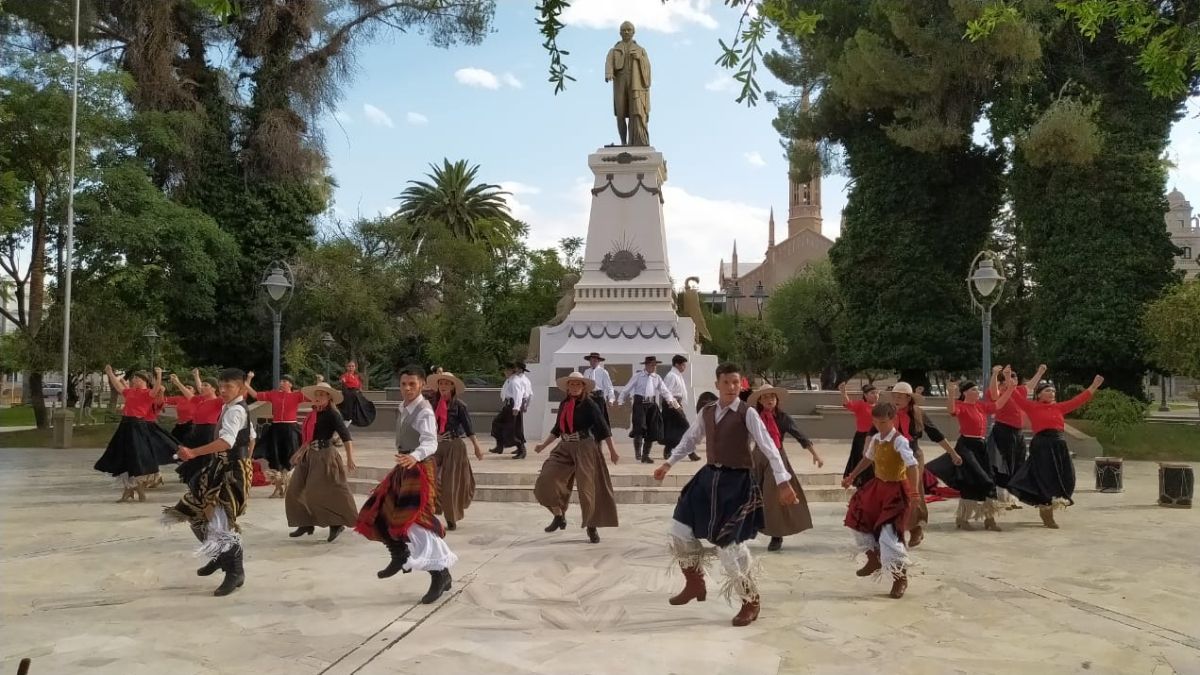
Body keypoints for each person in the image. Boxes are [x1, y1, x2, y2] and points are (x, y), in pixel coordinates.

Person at [655, 363, 799, 628]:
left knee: (728, 546)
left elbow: (768, 447)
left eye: (736, 383)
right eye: (727, 383)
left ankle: (750, 600)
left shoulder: (748, 413)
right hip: (708, 479)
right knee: (678, 530)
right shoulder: (707, 411)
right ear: (717, 384)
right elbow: (690, 440)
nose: (732, 387)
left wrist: (783, 481)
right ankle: (695, 583)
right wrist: (669, 463)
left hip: (737, 483)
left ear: (741, 385)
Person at [354, 365, 457, 605]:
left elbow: (431, 442)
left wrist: (415, 456)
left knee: (414, 523)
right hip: (405, 466)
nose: (407, 388)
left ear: (422, 384)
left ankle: (440, 575)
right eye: (403, 384)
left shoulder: (424, 411)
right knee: (377, 510)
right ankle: (399, 554)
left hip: (419, 468)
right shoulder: (403, 407)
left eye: (412, 384)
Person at [165, 368, 254, 597]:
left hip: (230, 471)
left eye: (229, 387)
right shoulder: (229, 407)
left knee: (220, 521)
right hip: (220, 467)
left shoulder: (236, 411)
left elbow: (226, 441)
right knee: (194, 512)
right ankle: (219, 556)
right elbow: (252, 436)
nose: (223, 390)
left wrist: (194, 453)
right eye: (221, 386)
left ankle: (235, 572)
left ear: (241, 387)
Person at [1005, 365, 1104, 528]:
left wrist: (1093, 386)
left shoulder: (1059, 407)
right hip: (1042, 445)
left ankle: (1051, 503)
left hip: (1059, 445)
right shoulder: (1032, 406)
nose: (1051, 393)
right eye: (1047, 391)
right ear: (1038, 394)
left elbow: (1078, 400)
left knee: (1066, 476)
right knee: (1045, 477)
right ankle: (1046, 510)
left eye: (1052, 391)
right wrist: (1008, 377)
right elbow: (1015, 396)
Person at [842, 402, 920, 599]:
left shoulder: (899, 441)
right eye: (875, 422)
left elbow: (912, 465)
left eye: (883, 422)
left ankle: (899, 577)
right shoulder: (876, 439)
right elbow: (867, 459)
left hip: (896, 491)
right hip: (877, 487)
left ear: (892, 419)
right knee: (856, 518)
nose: (879, 425)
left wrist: (915, 493)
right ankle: (873, 557)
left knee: (889, 536)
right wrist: (851, 476)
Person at [533, 372, 621, 544]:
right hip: (565, 446)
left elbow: (604, 428)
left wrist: (613, 450)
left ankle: (591, 525)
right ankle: (559, 516)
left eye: (577, 384)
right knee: (546, 480)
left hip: (585, 446)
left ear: (583, 387)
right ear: (567, 387)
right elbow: (557, 428)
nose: (574, 387)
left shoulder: (590, 404)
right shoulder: (565, 403)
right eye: (571, 384)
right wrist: (543, 445)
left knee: (587, 488)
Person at [747, 384, 823, 552]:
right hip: (758, 456)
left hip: (777, 458)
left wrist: (815, 454)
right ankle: (749, 528)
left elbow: (800, 435)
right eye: (765, 397)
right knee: (751, 493)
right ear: (760, 400)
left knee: (774, 496)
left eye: (772, 397)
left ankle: (777, 534)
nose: (769, 400)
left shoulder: (783, 418)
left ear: (777, 400)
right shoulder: (754, 416)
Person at [283, 380, 358, 542]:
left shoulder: (332, 414)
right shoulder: (313, 414)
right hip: (309, 454)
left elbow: (346, 436)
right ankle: (305, 523)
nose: (317, 397)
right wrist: (299, 453)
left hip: (325, 455)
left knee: (317, 492)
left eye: (321, 395)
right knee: (294, 489)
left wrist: (350, 457)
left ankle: (336, 524)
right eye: (316, 395)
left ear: (328, 398)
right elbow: (309, 439)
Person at [940, 375, 1016, 532]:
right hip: (967, 446)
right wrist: (950, 394)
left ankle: (990, 519)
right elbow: (951, 410)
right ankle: (963, 518)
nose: (978, 391)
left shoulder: (981, 406)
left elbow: (999, 404)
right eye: (974, 389)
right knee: (973, 480)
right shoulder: (961, 405)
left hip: (981, 445)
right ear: (965, 392)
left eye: (978, 389)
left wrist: (1011, 389)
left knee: (989, 479)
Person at [890, 382, 960, 548]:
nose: (896, 399)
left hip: (913, 455)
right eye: (895, 396)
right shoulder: (888, 412)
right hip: (892, 456)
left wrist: (953, 453)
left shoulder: (918, 413)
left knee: (914, 490)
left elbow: (936, 434)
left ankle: (916, 528)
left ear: (908, 398)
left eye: (900, 396)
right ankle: (893, 530)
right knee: (892, 491)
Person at [93, 366, 176, 502]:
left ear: (144, 381)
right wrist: (109, 373)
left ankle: (137, 490)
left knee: (136, 457)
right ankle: (130, 490)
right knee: (124, 456)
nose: (135, 380)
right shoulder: (130, 392)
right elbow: (118, 386)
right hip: (125, 425)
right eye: (134, 378)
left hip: (138, 425)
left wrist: (159, 374)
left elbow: (156, 389)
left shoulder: (148, 393)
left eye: (138, 378)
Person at [428, 372, 484, 531]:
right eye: (441, 383)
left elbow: (468, 428)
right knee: (430, 477)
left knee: (450, 484)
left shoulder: (459, 406)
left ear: (452, 386)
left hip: (455, 445)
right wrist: (433, 435)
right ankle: (429, 512)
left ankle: (451, 518)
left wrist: (476, 446)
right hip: (436, 445)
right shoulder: (431, 404)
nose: (443, 386)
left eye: (447, 383)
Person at [245, 372, 309, 499]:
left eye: (284, 381)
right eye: (281, 381)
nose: (281, 383)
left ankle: (287, 488)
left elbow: (314, 396)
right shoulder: (273, 394)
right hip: (276, 429)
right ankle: (277, 488)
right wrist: (248, 380)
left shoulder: (297, 395)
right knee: (275, 457)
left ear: (290, 384)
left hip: (290, 429)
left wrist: (319, 383)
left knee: (290, 457)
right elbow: (255, 395)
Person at [618, 356, 679, 464]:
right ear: (646, 365)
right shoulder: (638, 376)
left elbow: (664, 391)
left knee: (652, 429)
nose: (654, 367)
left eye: (655, 365)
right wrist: (620, 400)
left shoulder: (657, 377)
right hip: (640, 403)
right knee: (639, 427)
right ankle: (638, 452)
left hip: (651, 404)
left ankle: (645, 455)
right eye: (651, 365)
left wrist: (671, 401)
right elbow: (627, 388)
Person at [604, 21, 652, 146]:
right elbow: (608, 62)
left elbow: (647, 68)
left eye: (628, 30)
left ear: (633, 32)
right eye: (623, 30)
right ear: (620, 32)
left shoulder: (641, 50)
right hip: (620, 82)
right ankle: (624, 142)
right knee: (620, 114)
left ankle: (633, 141)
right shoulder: (614, 50)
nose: (626, 32)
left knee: (634, 111)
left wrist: (640, 59)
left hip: (635, 83)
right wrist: (608, 73)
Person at [989, 365, 1028, 507]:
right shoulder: (1001, 392)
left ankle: (1014, 496)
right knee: (1004, 463)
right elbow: (993, 394)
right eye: (1010, 377)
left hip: (1018, 433)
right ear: (1002, 382)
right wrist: (995, 374)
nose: (1013, 379)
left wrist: (1041, 372)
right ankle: (1002, 496)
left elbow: (1031, 385)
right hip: (1003, 430)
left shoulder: (1020, 392)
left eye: (1015, 377)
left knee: (1019, 462)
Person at [839, 382, 879, 488]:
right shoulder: (861, 405)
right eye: (872, 393)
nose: (875, 395)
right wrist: (843, 392)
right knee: (862, 459)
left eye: (877, 393)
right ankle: (861, 482)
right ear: (865, 395)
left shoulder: (880, 407)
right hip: (862, 438)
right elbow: (848, 404)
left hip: (877, 437)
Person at [662, 355, 699, 462]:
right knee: (686, 427)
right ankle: (690, 453)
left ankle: (668, 449)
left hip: (676, 404)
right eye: (683, 365)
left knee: (674, 429)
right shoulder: (671, 376)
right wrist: (676, 406)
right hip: (672, 405)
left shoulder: (677, 375)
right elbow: (667, 392)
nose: (684, 367)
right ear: (677, 365)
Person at [489, 363, 528, 459]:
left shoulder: (515, 381)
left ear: (512, 371)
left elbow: (518, 394)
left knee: (512, 429)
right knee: (497, 423)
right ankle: (500, 445)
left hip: (512, 406)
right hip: (508, 405)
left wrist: (516, 407)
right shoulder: (510, 380)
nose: (505, 372)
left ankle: (521, 450)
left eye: (507, 370)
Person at [188, 369, 224, 448]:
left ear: (214, 389)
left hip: (208, 430)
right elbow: (200, 388)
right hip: (196, 428)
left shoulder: (218, 400)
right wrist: (196, 376)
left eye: (206, 385)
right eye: (202, 385)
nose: (202, 387)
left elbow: (228, 395)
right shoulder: (202, 399)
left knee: (206, 454)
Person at [338, 361, 377, 427]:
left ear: (355, 367)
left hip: (357, 395)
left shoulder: (357, 376)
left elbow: (359, 387)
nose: (351, 368)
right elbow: (343, 386)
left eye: (352, 366)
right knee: (348, 413)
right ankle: (343, 428)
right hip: (349, 395)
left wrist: (359, 391)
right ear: (347, 367)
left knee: (365, 406)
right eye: (349, 366)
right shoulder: (344, 376)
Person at [581, 352, 615, 427]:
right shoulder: (586, 372)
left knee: (600, 419)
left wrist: (611, 400)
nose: (593, 362)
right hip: (589, 397)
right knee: (588, 418)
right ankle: (590, 436)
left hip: (599, 397)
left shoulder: (603, 372)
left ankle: (601, 436)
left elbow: (609, 386)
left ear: (598, 361)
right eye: (591, 360)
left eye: (595, 360)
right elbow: (584, 386)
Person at [164, 376, 197, 444]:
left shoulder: (196, 399)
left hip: (191, 426)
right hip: (179, 425)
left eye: (189, 388)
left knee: (186, 444)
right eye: (185, 388)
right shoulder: (179, 398)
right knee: (171, 442)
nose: (186, 389)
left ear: (194, 390)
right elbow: (164, 400)